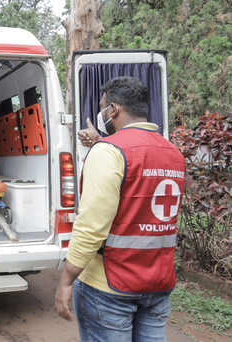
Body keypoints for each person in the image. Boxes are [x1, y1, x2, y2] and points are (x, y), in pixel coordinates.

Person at [55, 77, 186, 341]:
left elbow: (91, 227)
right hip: (158, 282)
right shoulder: (174, 153)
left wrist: (67, 279)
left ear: (113, 110)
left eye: (103, 107)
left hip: (110, 285)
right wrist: (102, 143)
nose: (101, 112)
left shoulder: (109, 153)